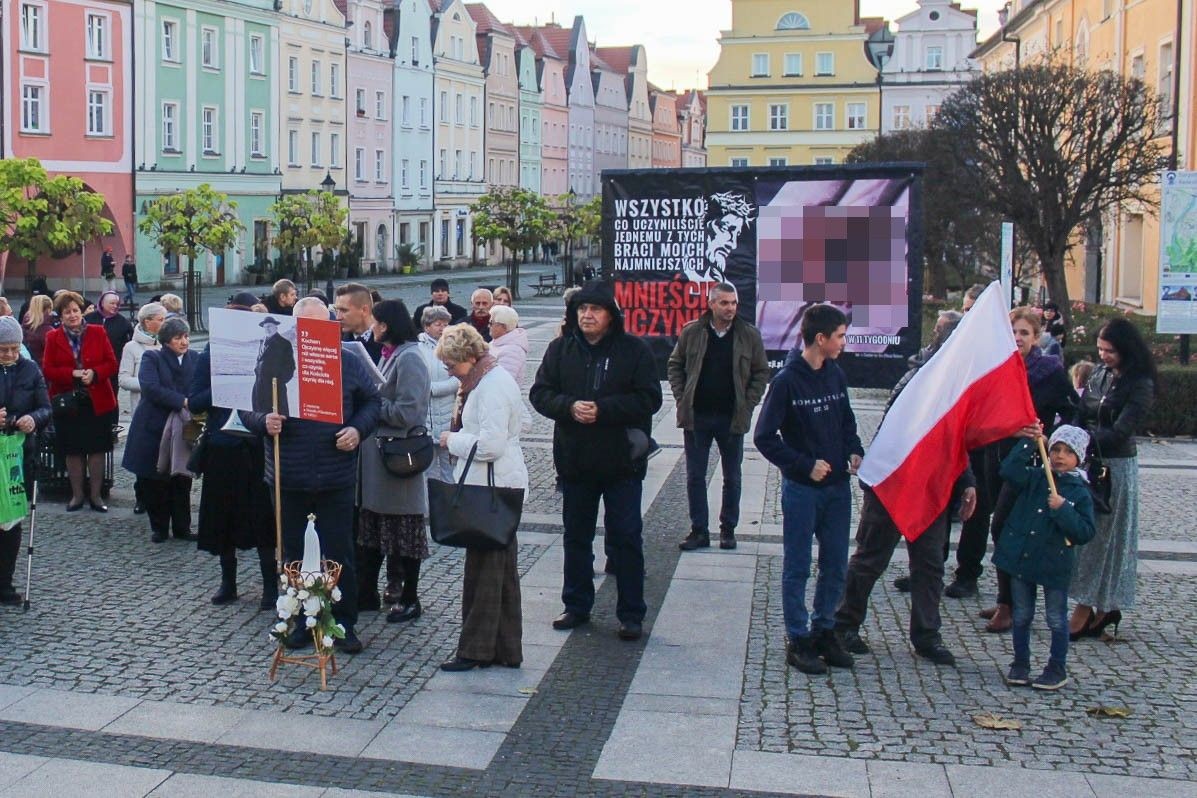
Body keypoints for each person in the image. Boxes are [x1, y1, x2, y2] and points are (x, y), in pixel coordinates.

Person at [833, 314, 976, 669]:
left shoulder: (957, 385)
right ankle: (843, 625)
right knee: (870, 559)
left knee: (929, 565)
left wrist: (966, 481)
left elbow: (955, 441)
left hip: (933, 487)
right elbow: (893, 436)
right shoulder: (917, 380)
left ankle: (927, 634)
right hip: (894, 483)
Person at [246, 296, 380, 655]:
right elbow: (248, 405)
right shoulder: (277, 359)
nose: (312, 332)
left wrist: (357, 430)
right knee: (293, 555)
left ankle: (343, 624)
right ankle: (301, 623)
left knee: (339, 554)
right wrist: (263, 421)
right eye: (305, 325)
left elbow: (373, 402)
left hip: (335, 474)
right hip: (288, 474)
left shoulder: (347, 360)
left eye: (320, 325)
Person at [530, 281, 663, 641]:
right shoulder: (561, 349)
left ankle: (631, 613)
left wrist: (603, 410)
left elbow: (649, 399)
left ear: (610, 315)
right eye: (581, 309)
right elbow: (540, 393)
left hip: (621, 462)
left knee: (626, 537)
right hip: (576, 462)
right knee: (576, 537)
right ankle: (576, 605)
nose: (587, 315)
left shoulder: (634, 350)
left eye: (595, 309)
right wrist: (569, 407)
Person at [754, 305, 863, 674]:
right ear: (821, 339)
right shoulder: (786, 381)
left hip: (837, 491)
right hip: (803, 490)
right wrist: (803, 465)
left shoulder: (835, 374)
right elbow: (765, 438)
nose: (844, 343)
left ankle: (824, 630)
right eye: (841, 336)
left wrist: (854, 448)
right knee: (798, 565)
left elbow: (847, 419)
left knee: (835, 565)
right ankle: (798, 638)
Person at [970, 307, 1075, 632]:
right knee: (999, 528)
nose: (1018, 339)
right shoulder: (997, 368)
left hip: (1028, 463)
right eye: (1013, 332)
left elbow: (1070, 409)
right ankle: (1007, 598)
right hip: (995, 456)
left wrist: (1054, 441)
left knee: (1005, 527)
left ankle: (1011, 604)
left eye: (1024, 333)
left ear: (1036, 336)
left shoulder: (1049, 371)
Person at [437, 324, 528, 670]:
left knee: (485, 574)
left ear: (470, 357)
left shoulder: (491, 385)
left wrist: (451, 440)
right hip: (496, 485)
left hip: (492, 487)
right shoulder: (488, 379)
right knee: (500, 573)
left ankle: (474, 651)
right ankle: (505, 649)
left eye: (451, 364)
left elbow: (491, 445)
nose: (448, 370)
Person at [1068, 318, 1155, 640]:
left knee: (1105, 539)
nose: (1103, 356)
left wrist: (1083, 441)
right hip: (1090, 460)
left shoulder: (1140, 383)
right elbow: (1081, 409)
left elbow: (1122, 431)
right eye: (1100, 349)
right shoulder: (1100, 374)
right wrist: (1073, 436)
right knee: (1087, 537)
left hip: (1115, 466)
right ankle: (1098, 606)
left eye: (1110, 351)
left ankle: (1092, 604)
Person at [190, 292, 278, 608]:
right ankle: (228, 582)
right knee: (222, 516)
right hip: (223, 446)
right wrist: (225, 382)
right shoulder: (210, 353)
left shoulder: (268, 351)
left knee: (263, 518)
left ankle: (271, 586)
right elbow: (195, 402)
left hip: (256, 447)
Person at [670, 283, 770, 552]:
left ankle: (728, 529)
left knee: (732, 477)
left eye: (734, 303)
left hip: (731, 418)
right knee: (695, 476)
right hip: (697, 417)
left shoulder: (748, 335)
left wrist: (748, 405)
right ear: (711, 304)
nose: (730, 308)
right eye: (724, 303)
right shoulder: (693, 332)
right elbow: (675, 364)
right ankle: (699, 530)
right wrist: (682, 397)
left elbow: (761, 372)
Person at [994, 425, 1096, 691]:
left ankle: (1056, 666)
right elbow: (1008, 471)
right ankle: (1020, 662)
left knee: (1055, 618)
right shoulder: (1036, 478)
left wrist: (1063, 510)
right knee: (1022, 614)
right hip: (1023, 559)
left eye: (1068, 452)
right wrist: (1030, 442)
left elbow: (1085, 531)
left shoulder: (1080, 492)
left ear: (1079, 458)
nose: (1060, 456)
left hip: (1054, 563)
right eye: (1056, 450)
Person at [356, 300, 430, 622]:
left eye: (375, 322)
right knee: (376, 528)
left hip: (399, 460)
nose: (372, 328)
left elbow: (408, 411)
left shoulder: (410, 357)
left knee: (403, 533)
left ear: (385, 325)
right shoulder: (393, 354)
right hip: (380, 461)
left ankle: (410, 599)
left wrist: (371, 406)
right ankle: (368, 594)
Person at [121, 318, 198, 542]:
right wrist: (182, 401)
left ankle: (183, 527)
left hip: (184, 427)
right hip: (154, 425)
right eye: (178, 338)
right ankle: (160, 527)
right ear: (166, 341)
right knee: (156, 480)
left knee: (182, 478)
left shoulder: (195, 358)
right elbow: (151, 387)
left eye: (186, 337)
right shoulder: (152, 357)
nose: (184, 342)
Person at [41, 291, 119, 512]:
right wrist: (72, 373)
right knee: (73, 450)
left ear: (81, 311)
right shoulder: (53, 337)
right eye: (67, 312)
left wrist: (94, 373)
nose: (73, 315)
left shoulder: (98, 332)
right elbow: (48, 370)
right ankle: (77, 496)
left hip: (97, 401)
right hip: (68, 403)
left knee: (97, 449)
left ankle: (96, 496)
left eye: (75, 310)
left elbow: (112, 363)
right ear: (61, 315)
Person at [0, 317, 52, 606]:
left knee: (13, 522)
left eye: (14, 348)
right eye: (3, 349)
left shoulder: (30, 369)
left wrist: (34, 419)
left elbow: (46, 407)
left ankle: (4, 583)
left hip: (20, 454)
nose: (9, 354)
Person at [417, 306, 459, 484]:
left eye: (445, 324)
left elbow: (459, 379)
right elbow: (417, 381)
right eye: (437, 324)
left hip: (448, 415)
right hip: (426, 416)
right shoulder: (418, 349)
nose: (442, 328)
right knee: (429, 470)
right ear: (427, 326)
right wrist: (428, 389)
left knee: (451, 467)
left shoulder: (455, 347)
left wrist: (434, 389)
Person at [118, 303, 166, 418]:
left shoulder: (168, 344)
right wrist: (149, 384)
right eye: (161, 319)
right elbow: (123, 380)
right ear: (147, 322)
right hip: (143, 410)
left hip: (166, 406)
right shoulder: (131, 347)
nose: (165, 323)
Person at [85, 290, 134, 402]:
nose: (115, 306)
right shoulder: (89, 318)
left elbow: (128, 344)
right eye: (112, 303)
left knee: (110, 399)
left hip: (112, 367)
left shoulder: (123, 323)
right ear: (102, 303)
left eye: (117, 304)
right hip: (89, 366)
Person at [252, 317, 294, 415]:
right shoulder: (262, 342)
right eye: (265, 327)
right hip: (259, 386)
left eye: (270, 326)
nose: (267, 329)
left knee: (277, 416)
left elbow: (290, 367)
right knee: (259, 414)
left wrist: (278, 382)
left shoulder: (284, 343)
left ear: (276, 327)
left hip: (275, 388)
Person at [334, 282, 381, 364]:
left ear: (364, 310)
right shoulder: (338, 340)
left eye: (344, 310)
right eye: (336, 310)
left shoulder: (385, 342)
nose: (338, 317)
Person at [487, 305, 528, 383]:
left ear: (504, 326)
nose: (488, 326)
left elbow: (504, 380)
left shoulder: (513, 351)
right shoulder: (495, 343)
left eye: (491, 323)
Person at [21, 295, 56, 366]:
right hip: (43, 369)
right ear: (49, 309)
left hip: (27, 367)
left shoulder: (25, 325)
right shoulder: (48, 331)